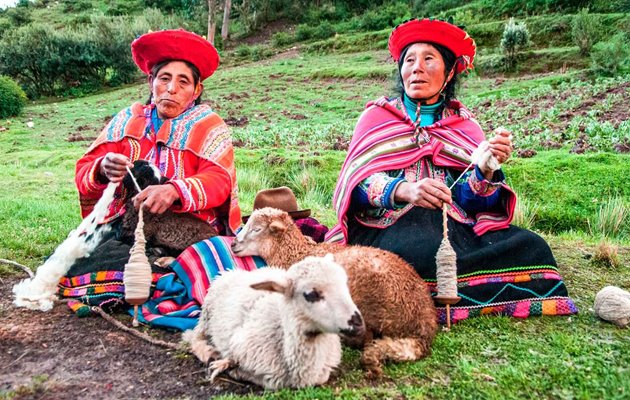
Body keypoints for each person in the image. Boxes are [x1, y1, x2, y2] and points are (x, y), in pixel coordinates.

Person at [326, 19, 577, 324]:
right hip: (388, 228)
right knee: (412, 253)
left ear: (448, 73)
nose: (416, 68)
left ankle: (441, 295)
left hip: (454, 229)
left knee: (532, 247)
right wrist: (405, 190)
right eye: (409, 60)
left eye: (428, 59)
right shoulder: (376, 117)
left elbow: (471, 202)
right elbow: (358, 184)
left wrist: (484, 170)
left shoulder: (465, 125)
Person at [60, 29, 241, 314]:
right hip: (126, 229)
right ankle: (155, 273)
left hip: (189, 228)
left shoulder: (209, 126)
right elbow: (84, 172)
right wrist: (102, 169)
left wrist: (174, 190)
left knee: (209, 260)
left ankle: (157, 272)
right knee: (71, 261)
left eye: (183, 82)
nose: (171, 89)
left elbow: (219, 181)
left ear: (196, 91)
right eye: (164, 79)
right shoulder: (127, 122)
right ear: (151, 82)